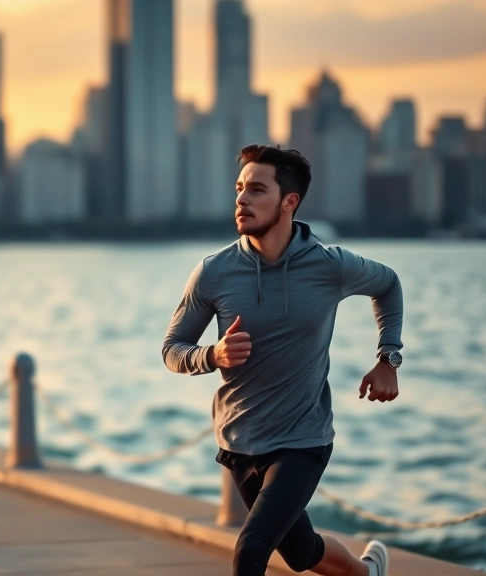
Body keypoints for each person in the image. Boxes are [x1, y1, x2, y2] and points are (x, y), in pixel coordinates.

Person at [161, 144, 402, 576]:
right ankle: (367, 572)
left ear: (289, 201)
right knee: (300, 552)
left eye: (256, 190)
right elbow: (172, 349)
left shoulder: (330, 266)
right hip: (239, 439)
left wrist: (388, 357)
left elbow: (388, 284)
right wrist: (211, 355)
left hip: (303, 439)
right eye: (239, 189)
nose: (241, 199)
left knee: (250, 552)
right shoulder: (214, 272)